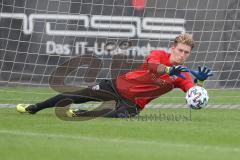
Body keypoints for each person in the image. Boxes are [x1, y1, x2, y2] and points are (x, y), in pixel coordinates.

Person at [16, 33, 213, 118]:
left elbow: (194, 94)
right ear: (173, 48)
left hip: (133, 104)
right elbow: (153, 67)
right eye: (180, 50)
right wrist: (169, 70)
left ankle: (81, 114)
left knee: (112, 116)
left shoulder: (185, 75)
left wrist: (200, 82)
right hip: (117, 86)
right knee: (75, 94)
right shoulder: (159, 54)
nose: (182, 55)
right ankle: (34, 108)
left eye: (187, 53)